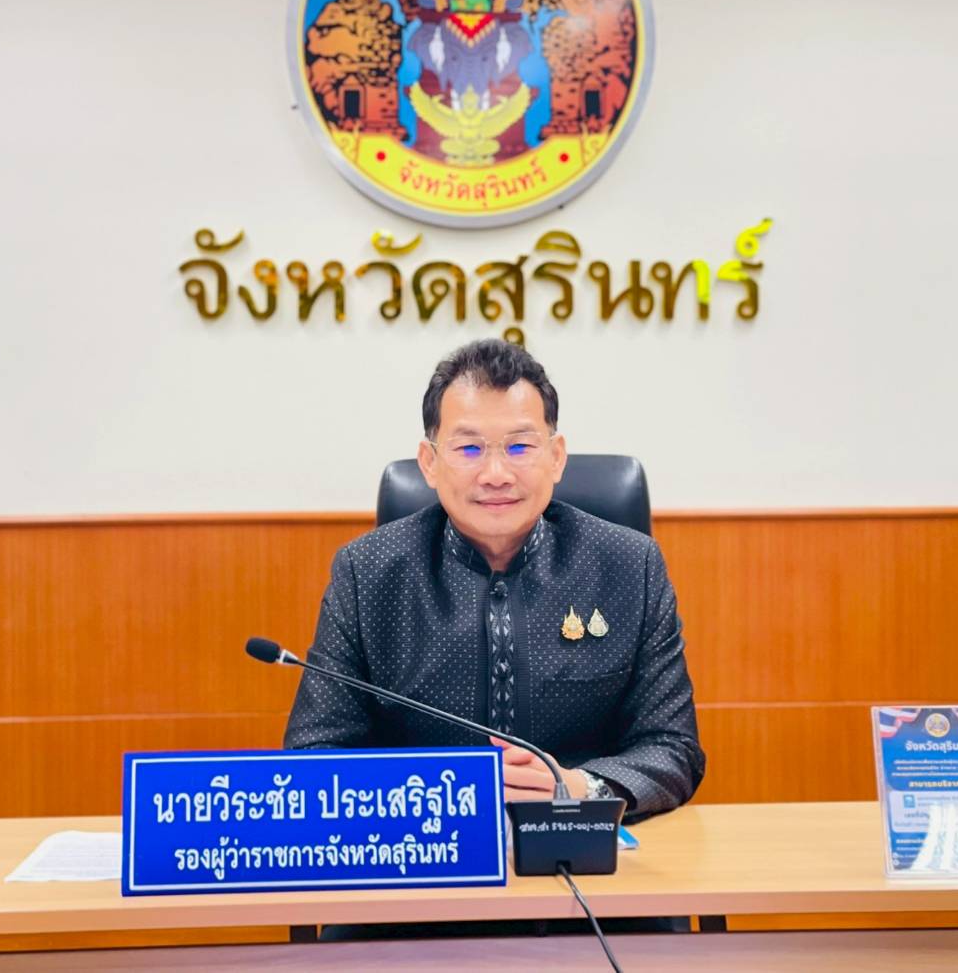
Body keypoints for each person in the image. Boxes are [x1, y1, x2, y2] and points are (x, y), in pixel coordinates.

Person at [284, 339, 705, 820]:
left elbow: (673, 747)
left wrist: (580, 787)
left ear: (556, 457)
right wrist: (443, 797)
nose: (496, 473)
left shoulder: (629, 566)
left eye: (520, 446)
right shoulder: (369, 572)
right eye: (469, 448)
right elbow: (315, 753)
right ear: (429, 462)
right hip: (425, 843)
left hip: (589, 844)